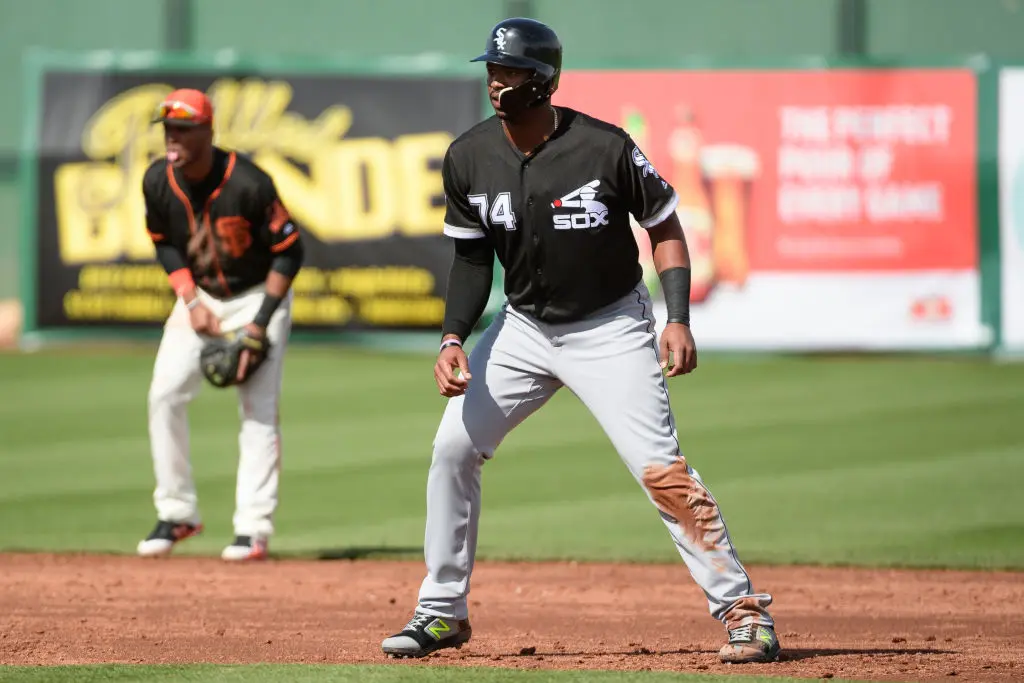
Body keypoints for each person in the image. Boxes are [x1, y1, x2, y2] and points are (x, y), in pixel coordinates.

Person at [381, 18, 781, 664]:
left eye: (508, 72)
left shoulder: (605, 148)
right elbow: (473, 261)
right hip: (523, 327)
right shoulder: (469, 155)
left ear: (541, 82)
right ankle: (441, 609)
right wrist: (453, 335)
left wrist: (675, 316)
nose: (495, 82)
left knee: (661, 470)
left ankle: (742, 611)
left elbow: (666, 227)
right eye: (491, 69)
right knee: (452, 446)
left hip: (611, 326)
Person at [135, 88, 304, 562]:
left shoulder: (248, 183)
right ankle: (177, 512)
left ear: (208, 132)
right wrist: (189, 298)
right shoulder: (157, 179)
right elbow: (163, 241)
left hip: (257, 297)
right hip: (201, 298)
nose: (174, 137)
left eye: (184, 129)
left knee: (258, 409)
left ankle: (253, 528)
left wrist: (259, 327)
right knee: (164, 394)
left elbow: (290, 252)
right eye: (169, 129)